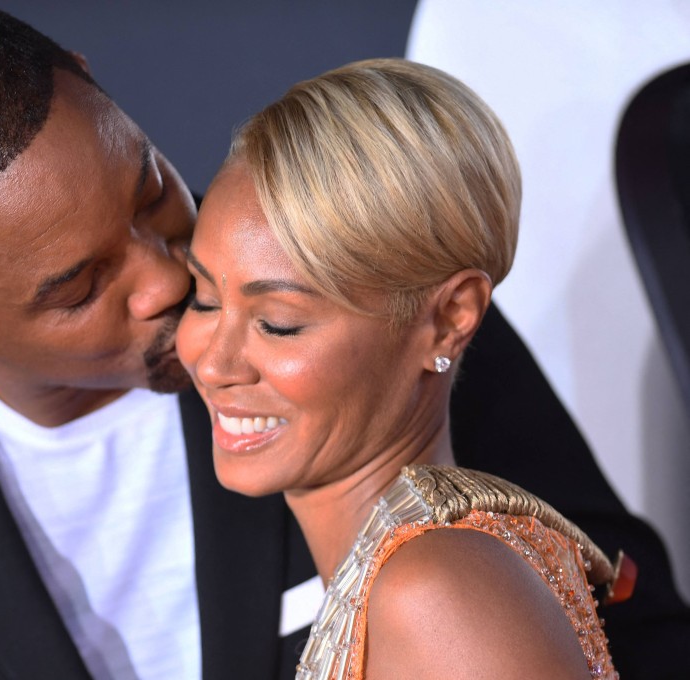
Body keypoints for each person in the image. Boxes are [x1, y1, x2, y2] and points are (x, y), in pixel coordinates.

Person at [0, 2, 685, 678]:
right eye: (81, 289)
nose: (168, 282)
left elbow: (623, 619)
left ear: (95, 87)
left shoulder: (359, 277)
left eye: (150, 192)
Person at [175, 58, 629, 678]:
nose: (212, 363)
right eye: (204, 299)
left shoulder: (440, 595)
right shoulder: (417, 578)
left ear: (448, 319)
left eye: (278, 323)